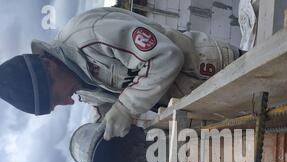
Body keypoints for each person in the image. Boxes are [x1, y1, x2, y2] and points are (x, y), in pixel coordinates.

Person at [0, 7, 239, 140]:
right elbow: (112, 100)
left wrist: (125, 108)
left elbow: (166, 56)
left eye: (56, 97)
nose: (69, 101)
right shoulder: (82, 85)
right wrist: (108, 124)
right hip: (206, 99)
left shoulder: (88, 35)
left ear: (48, 66)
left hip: (213, 70)